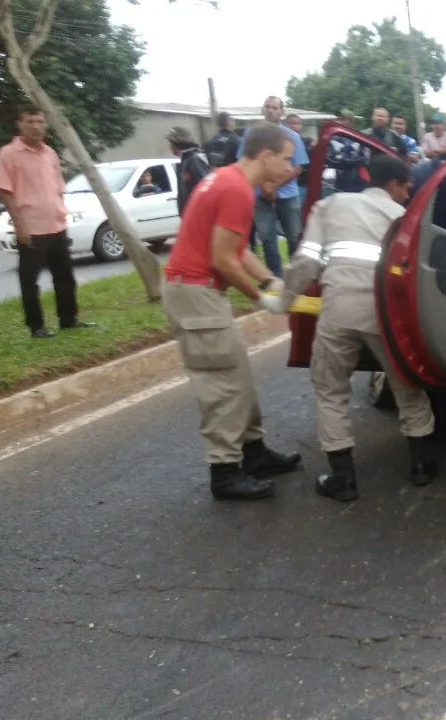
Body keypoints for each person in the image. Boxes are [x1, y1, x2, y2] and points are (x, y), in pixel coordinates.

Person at [277, 154, 441, 502]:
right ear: (393, 185)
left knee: (331, 390)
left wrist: (283, 300)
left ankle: (343, 480)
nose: (408, 192)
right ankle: (421, 467)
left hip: (338, 309)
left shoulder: (330, 204)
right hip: (387, 315)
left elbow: (306, 260)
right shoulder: (406, 218)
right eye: (406, 185)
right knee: (407, 386)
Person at [162, 122, 302, 501]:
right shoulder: (237, 190)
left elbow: (236, 249)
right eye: (287, 160)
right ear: (266, 155)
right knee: (222, 384)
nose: (291, 168)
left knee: (236, 373)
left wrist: (271, 279)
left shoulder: (227, 179)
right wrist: (262, 299)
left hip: (194, 291)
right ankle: (224, 472)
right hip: (195, 293)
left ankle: (253, 452)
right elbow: (223, 260)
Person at [0, 105, 95, 338]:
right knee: (29, 280)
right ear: (20, 124)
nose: (37, 126)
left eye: (40, 121)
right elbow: (6, 191)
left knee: (65, 277)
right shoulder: (9, 154)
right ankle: (36, 326)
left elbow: (59, 187)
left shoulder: (50, 153)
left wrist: (61, 212)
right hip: (31, 228)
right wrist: (19, 225)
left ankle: (68, 319)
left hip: (56, 225)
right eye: (30, 121)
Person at [239, 96, 309, 276]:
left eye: (275, 107)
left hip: (288, 194)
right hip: (259, 196)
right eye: (267, 107)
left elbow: (298, 167)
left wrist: (273, 185)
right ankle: (274, 279)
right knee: (267, 239)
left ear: (282, 112)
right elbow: (245, 161)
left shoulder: (292, 136)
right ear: (263, 110)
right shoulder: (251, 135)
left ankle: (295, 278)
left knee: (294, 237)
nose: (270, 110)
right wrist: (264, 186)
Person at [167, 126, 211, 217]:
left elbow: (204, 188)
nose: (170, 147)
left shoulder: (194, 160)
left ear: (177, 144)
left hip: (197, 216)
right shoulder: (185, 161)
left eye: (171, 143)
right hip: (190, 216)